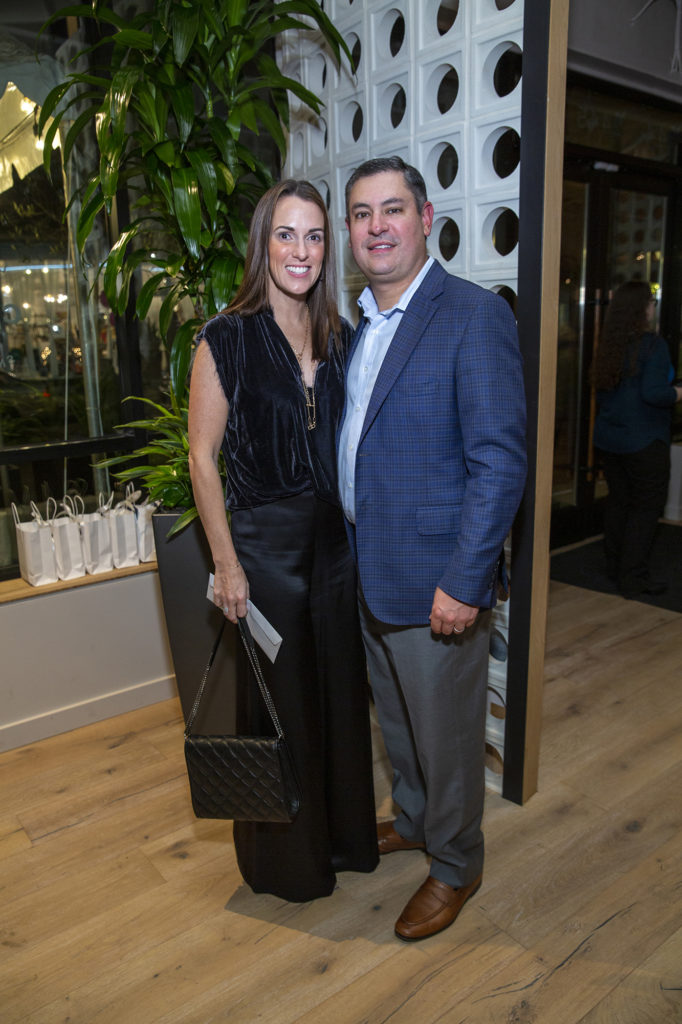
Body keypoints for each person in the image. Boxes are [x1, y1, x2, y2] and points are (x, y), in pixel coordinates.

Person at [338, 156, 527, 941]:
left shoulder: (471, 315)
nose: (377, 226)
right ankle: (414, 819)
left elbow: (501, 460)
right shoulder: (364, 324)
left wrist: (464, 578)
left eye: (392, 209)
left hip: (437, 582)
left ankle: (455, 863)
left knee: (447, 735)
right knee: (400, 724)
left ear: (426, 216)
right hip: (370, 569)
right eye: (361, 214)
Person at [188, 179, 379, 902]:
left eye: (315, 236)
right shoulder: (226, 338)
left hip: (336, 550)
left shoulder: (340, 337)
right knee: (283, 712)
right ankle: (286, 866)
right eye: (286, 235)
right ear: (262, 243)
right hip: (264, 556)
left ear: (328, 250)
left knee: (337, 700)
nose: (301, 251)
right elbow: (200, 458)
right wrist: (227, 566)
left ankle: (343, 843)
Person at [592, 280, 682, 599]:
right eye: (651, 302)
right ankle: (633, 578)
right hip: (643, 441)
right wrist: (678, 392)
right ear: (642, 308)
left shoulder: (611, 343)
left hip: (611, 440)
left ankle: (616, 567)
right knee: (645, 510)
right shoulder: (653, 345)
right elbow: (654, 393)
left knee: (619, 503)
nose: (654, 307)